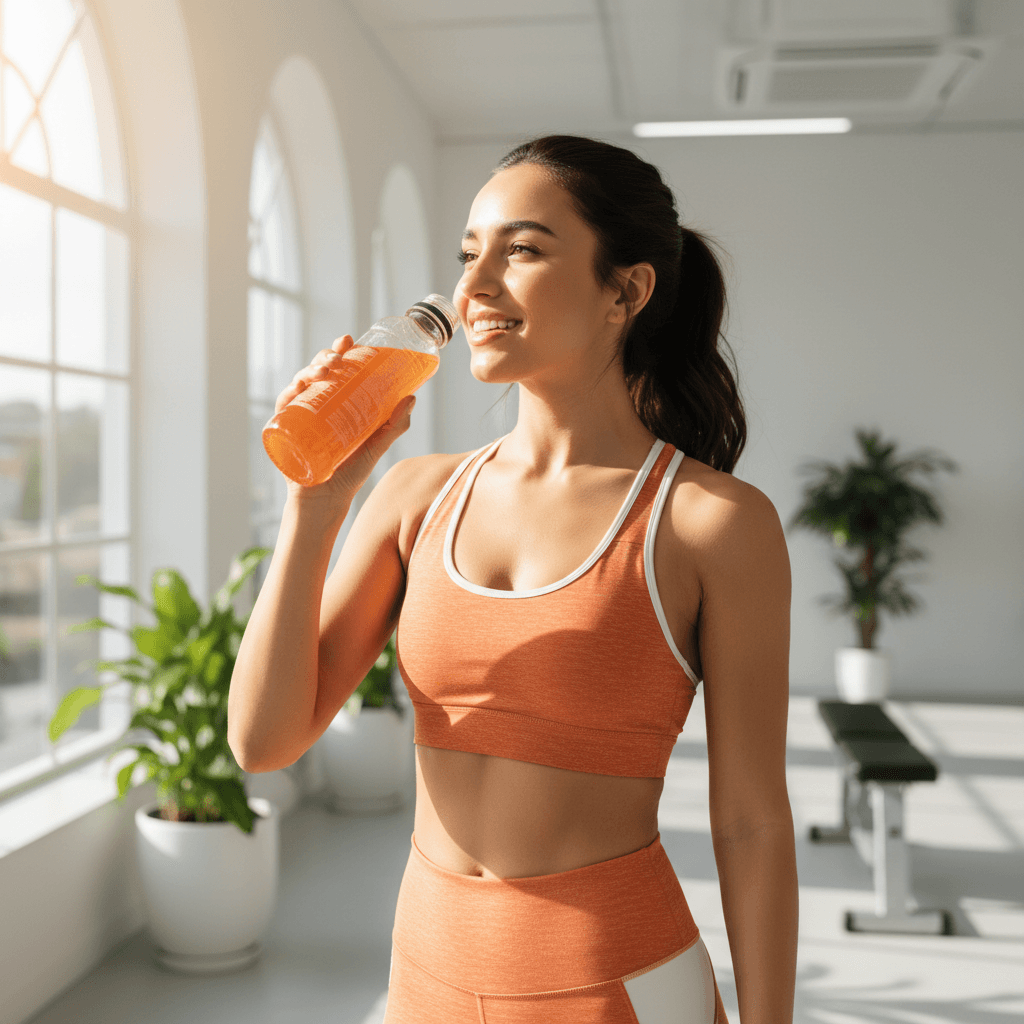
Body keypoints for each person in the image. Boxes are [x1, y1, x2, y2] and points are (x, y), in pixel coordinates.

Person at [230, 134, 798, 1024]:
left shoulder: (709, 522)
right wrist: (314, 506)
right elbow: (262, 743)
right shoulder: (416, 495)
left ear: (627, 289)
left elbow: (753, 822)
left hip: (619, 985)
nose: (474, 287)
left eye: (522, 249)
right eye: (468, 255)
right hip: (425, 979)